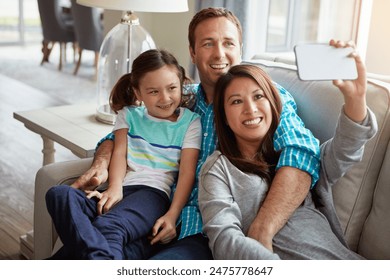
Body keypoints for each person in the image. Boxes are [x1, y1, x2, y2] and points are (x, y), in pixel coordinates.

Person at [70, 7, 320, 259]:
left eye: (228, 43)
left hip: (204, 232)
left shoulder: (262, 96)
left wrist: (262, 229)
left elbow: (301, 153)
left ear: (240, 49)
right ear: (192, 52)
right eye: (208, 43)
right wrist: (102, 162)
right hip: (151, 211)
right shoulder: (182, 98)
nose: (219, 53)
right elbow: (122, 133)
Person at [198, 40, 378, 259]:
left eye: (258, 96)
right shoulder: (217, 171)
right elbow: (225, 241)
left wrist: (355, 98)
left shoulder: (297, 156)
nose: (250, 109)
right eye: (236, 102)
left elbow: (345, 149)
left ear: (273, 104)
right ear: (223, 117)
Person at [45, 49, 202, 259]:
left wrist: (172, 215)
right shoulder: (128, 115)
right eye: (153, 91)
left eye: (172, 88)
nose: (165, 98)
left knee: (109, 226)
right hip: (120, 189)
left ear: (181, 84)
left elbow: (187, 173)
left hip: (152, 195)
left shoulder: (190, 122)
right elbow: (119, 154)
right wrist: (115, 188)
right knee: (59, 194)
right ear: (138, 93)